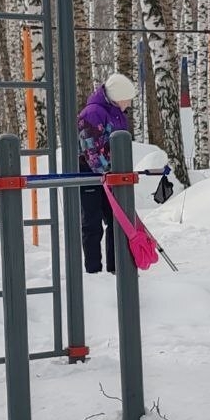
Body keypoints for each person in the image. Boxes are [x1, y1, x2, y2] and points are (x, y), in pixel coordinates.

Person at [77, 71, 136, 274]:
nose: (129, 103)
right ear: (118, 95)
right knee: (92, 222)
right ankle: (93, 269)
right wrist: (106, 172)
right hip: (91, 174)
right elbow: (91, 148)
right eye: (127, 99)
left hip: (112, 175)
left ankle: (115, 267)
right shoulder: (92, 113)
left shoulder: (117, 113)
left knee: (116, 221)